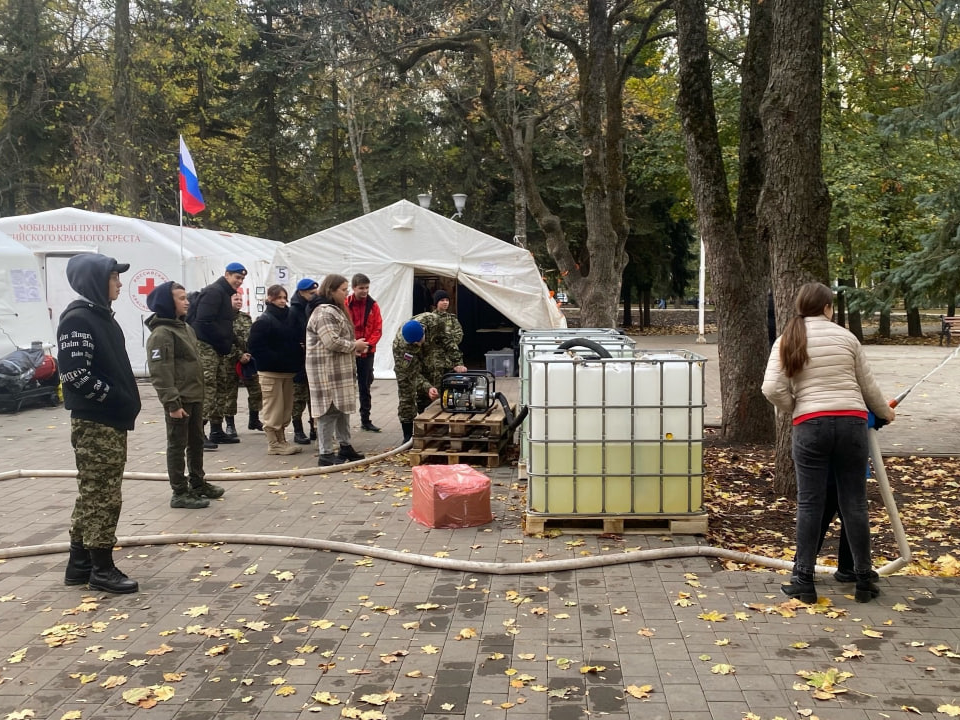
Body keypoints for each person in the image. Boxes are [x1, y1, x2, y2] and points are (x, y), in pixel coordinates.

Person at [762, 281, 895, 605]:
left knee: (810, 503)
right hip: (851, 424)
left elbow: (771, 388)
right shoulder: (846, 338)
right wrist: (884, 414)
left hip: (810, 427)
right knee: (855, 503)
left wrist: (796, 407)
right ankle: (863, 579)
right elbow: (868, 386)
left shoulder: (787, 339)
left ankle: (803, 580)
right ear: (827, 308)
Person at [58, 253, 141, 594]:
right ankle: (102, 570)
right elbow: (75, 375)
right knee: (104, 497)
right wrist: (116, 399)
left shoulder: (100, 317)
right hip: (97, 423)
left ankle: (79, 565)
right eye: (113, 277)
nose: (120, 283)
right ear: (96, 280)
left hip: (107, 422)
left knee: (91, 494)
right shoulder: (79, 320)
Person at [145, 281, 226, 510]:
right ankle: (179, 491)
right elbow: (160, 371)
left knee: (196, 442)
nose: (187, 301)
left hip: (194, 396)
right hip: (179, 400)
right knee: (177, 444)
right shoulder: (162, 334)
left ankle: (198, 483)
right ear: (167, 303)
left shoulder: (185, 328)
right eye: (181, 298)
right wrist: (172, 402)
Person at [306, 274, 369, 466]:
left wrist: (352, 350)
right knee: (329, 411)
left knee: (343, 409)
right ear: (330, 291)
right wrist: (354, 345)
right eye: (343, 290)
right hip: (327, 373)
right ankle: (325, 453)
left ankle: (345, 446)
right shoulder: (324, 312)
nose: (346, 293)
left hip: (338, 370)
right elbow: (331, 341)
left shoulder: (335, 310)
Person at [189, 262, 246, 447]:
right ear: (227, 275)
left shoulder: (224, 293)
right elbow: (203, 322)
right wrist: (223, 338)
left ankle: (216, 429)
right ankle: (197, 433)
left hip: (219, 348)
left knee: (222, 387)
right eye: (237, 277)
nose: (239, 281)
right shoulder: (214, 292)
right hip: (206, 347)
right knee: (209, 388)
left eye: (242, 278)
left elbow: (223, 323)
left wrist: (233, 341)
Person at [392, 311, 467, 443]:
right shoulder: (402, 347)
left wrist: (457, 362)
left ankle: (430, 425)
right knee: (406, 394)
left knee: (433, 380)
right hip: (406, 363)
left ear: (424, 331)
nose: (418, 346)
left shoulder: (434, 321)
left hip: (430, 352)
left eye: (419, 342)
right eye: (415, 344)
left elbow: (448, 341)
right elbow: (411, 374)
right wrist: (426, 387)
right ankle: (407, 436)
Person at [248, 285, 303, 455]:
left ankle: (282, 439)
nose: (282, 301)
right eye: (278, 297)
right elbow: (254, 346)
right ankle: (273, 443)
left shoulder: (289, 318)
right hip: (270, 372)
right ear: (270, 298)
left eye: (284, 297)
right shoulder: (264, 321)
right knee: (273, 408)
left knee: (286, 407)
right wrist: (276, 359)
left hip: (287, 371)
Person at [346, 273, 383, 432]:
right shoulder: (345, 304)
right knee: (346, 386)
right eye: (361, 288)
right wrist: (353, 345)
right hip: (349, 350)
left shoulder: (373, 305)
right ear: (354, 288)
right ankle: (344, 421)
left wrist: (367, 344)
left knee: (365, 386)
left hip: (367, 351)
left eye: (367, 288)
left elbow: (378, 328)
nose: (364, 291)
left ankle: (365, 419)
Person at [225, 291, 263, 432]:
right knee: (230, 394)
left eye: (240, 299)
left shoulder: (246, 318)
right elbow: (226, 341)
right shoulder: (223, 319)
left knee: (256, 391)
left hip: (248, 361)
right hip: (229, 361)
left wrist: (249, 354)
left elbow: (250, 338)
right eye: (235, 299)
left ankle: (254, 419)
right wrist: (238, 355)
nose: (239, 301)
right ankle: (230, 424)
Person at [289, 278, 318, 445]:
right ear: (301, 292)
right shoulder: (294, 310)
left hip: (311, 358)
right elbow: (292, 334)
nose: (314, 295)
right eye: (311, 293)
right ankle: (298, 430)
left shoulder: (312, 307)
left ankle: (314, 427)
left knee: (313, 397)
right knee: (299, 397)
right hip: (299, 360)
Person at [432, 289, 463, 372]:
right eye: (442, 300)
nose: (445, 302)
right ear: (436, 303)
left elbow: (459, 335)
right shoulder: (430, 318)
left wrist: (448, 342)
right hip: (435, 359)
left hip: (451, 357)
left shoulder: (452, 318)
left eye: (447, 300)